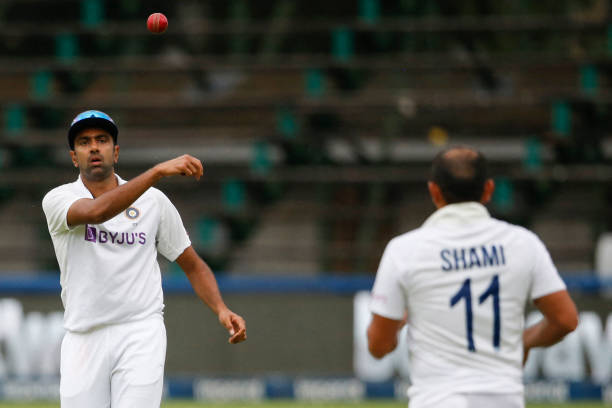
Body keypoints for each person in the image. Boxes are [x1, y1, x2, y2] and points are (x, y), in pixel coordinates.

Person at [42, 110, 247, 407]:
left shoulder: (154, 202)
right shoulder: (58, 199)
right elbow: (96, 212)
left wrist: (221, 309)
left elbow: (192, 263)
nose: (95, 147)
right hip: (83, 337)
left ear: (116, 151)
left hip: (140, 332)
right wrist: (156, 173)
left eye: (102, 139)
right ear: (75, 157)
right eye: (85, 142)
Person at [367, 146, 578, 408]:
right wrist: (524, 341)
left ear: (434, 191)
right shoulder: (523, 243)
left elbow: (378, 346)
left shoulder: (404, 251)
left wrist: (399, 322)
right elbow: (566, 320)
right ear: (489, 189)